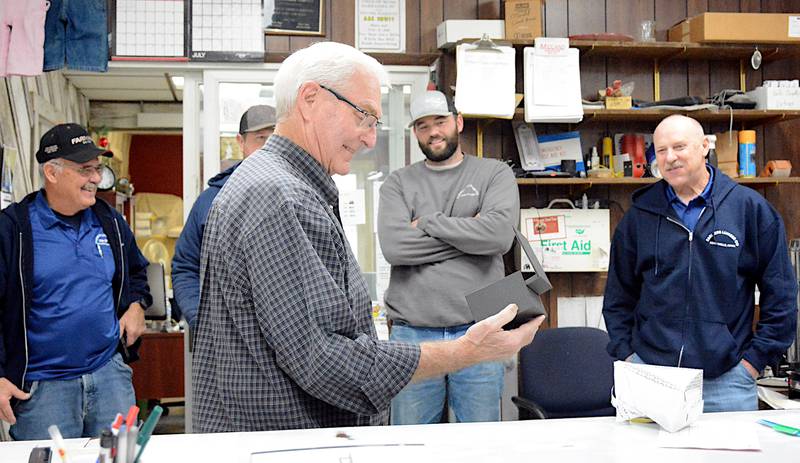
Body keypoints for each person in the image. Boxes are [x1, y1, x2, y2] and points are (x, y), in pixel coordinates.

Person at [192, 41, 544, 433]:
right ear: (310, 99)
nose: (370, 138)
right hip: (285, 440)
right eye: (364, 116)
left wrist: (427, 227)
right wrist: (464, 351)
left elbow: (496, 236)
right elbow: (322, 360)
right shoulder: (280, 196)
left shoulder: (282, 186)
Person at [602, 114, 798, 412]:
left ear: (704, 146)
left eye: (679, 147)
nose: (670, 158)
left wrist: (754, 362)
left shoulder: (749, 209)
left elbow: (782, 296)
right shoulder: (639, 216)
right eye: (661, 150)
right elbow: (618, 297)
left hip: (727, 381)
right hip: (651, 377)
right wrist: (629, 357)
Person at [0, 123, 152, 439]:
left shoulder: (110, 221)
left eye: (97, 169)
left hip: (109, 376)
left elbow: (138, 272)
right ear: (52, 173)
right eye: (85, 170)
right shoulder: (13, 229)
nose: (96, 179)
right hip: (43, 390)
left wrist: (136, 305)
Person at [377, 91, 519, 424]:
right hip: (412, 337)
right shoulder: (398, 183)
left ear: (458, 122)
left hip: (481, 329)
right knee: (409, 447)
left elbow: (499, 236)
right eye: (423, 126)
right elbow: (396, 248)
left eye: (440, 122)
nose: (433, 132)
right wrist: (471, 234)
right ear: (415, 133)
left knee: (479, 446)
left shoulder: (494, 174)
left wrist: (428, 223)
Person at [172, 105, 276, 329]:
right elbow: (185, 265)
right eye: (260, 138)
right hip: (227, 342)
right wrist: (200, 319)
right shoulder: (211, 201)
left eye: (275, 138)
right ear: (241, 142)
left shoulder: (300, 197)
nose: (269, 147)